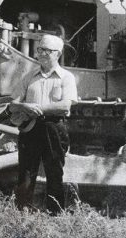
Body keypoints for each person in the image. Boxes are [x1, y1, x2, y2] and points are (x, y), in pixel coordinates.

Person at [9, 34, 78, 215]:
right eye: (40, 49)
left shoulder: (66, 78)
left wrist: (39, 108)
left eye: (48, 50)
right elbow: (12, 104)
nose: (43, 54)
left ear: (58, 54)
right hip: (30, 128)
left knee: (54, 173)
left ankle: (55, 216)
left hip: (54, 129)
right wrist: (24, 106)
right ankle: (20, 215)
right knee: (26, 173)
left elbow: (65, 106)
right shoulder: (28, 77)